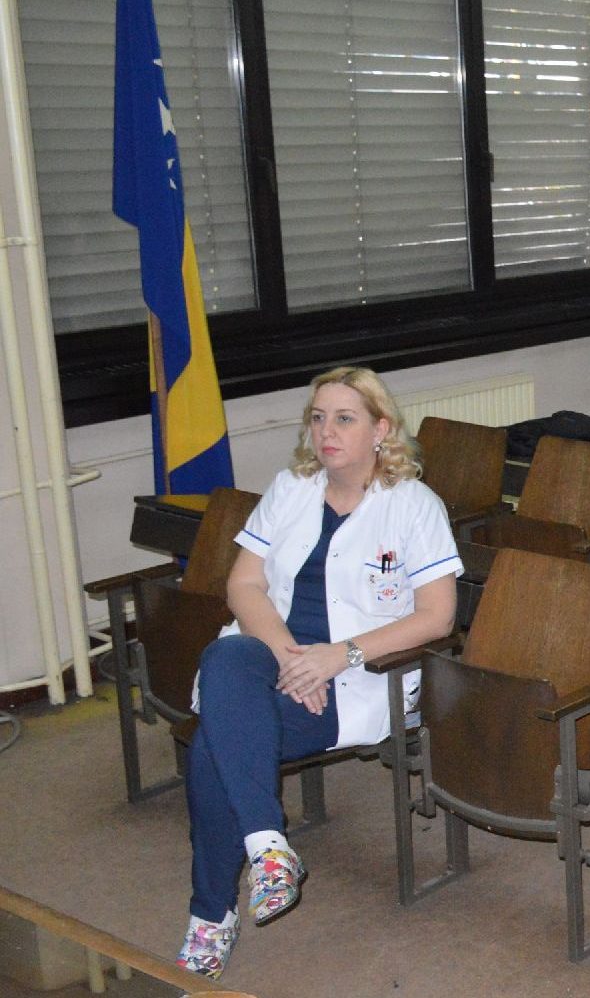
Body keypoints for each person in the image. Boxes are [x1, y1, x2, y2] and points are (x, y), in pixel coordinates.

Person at [176, 367, 461, 979]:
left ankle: (211, 915)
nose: (326, 432)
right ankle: (268, 847)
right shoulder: (291, 488)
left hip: (360, 673)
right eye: (318, 418)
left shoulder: (415, 505)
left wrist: (337, 656)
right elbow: (243, 585)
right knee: (224, 656)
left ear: (381, 430)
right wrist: (291, 660)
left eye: (344, 419)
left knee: (211, 750)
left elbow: (438, 617)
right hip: (274, 655)